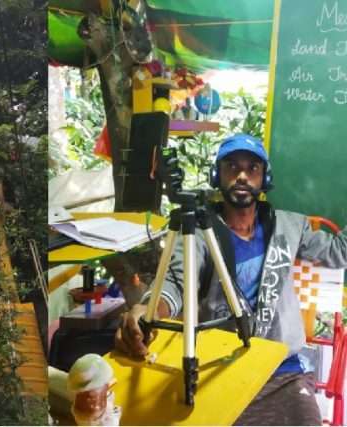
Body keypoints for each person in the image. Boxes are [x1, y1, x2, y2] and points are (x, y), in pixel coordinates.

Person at [115, 133, 347, 425]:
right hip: (221, 365)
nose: (241, 175)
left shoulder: (290, 226)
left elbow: (339, 252)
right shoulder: (198, 232)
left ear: (264, 178)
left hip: (283, 368)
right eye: (231, 167)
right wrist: (145, 310)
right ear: (217, 175)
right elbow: (177, 282)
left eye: (252, 169)